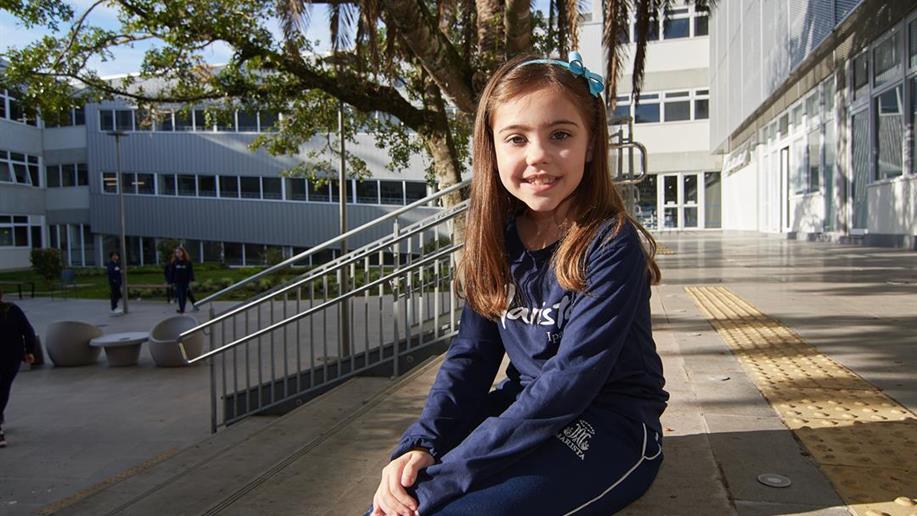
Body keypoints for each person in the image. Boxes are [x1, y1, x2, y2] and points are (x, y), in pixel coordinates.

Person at [368, 52, 668, 516]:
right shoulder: (497, 242)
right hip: (526, 405)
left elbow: (571, 381)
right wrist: (424, 442)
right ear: (493, 149)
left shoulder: (610, 243)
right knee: (394, 503)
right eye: (516, 138)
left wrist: (450, 476)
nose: (538, 156)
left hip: (608, 421)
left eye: (560, 135)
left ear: (591, 145)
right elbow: (471, 356)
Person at [0, 287, 37, 448]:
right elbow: (28, 331)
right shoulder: (12, 310)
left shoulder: (12, 310)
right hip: (11, 357)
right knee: (3, 388)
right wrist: (28, 351)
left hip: (9, 357)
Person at [171, 247, 196, 313]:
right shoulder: (175, 262)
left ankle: (195, 305)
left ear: (183, 253)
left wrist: (191, 280)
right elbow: (172, 272)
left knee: (185, 295)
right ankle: (182, 309)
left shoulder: (187, 262)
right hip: (178, 281)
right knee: (180, 295)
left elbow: (190, 272)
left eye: (179, 252)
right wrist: (171, 281)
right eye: (176, 252)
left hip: (185, 281)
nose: (177, 254)